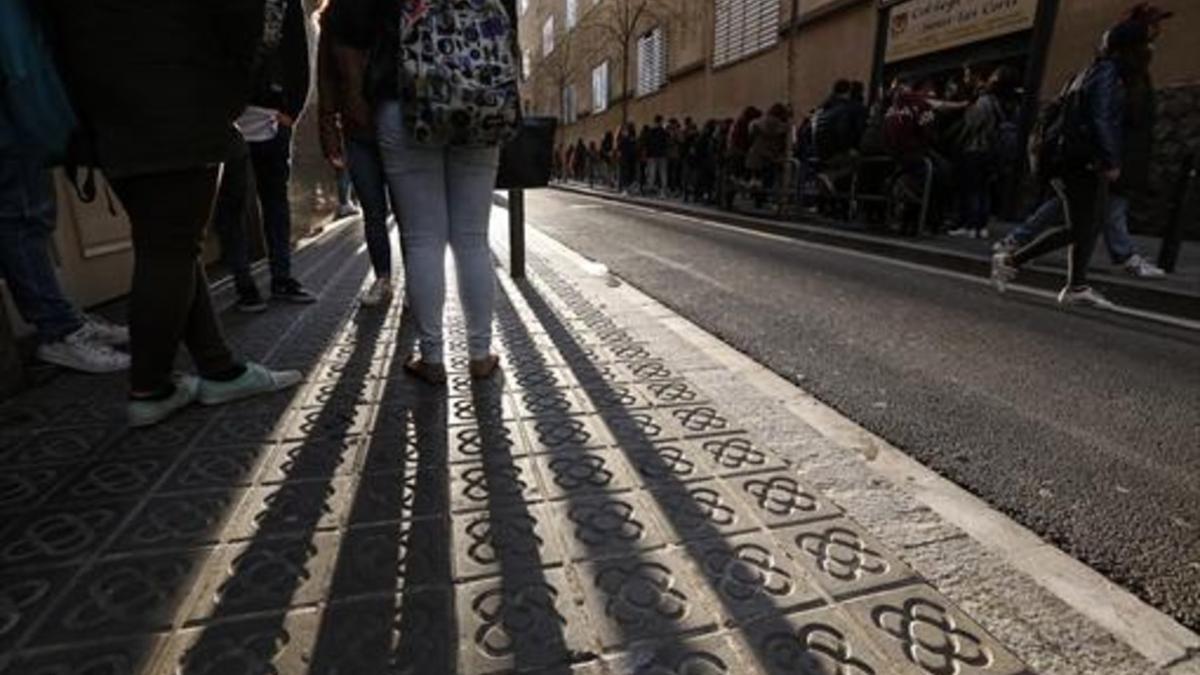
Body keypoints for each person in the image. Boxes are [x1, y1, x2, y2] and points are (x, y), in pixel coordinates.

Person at [44, 0, 303, 426]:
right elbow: (244, 20)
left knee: (170, 240)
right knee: (169, 248)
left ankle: (219, 367)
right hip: (181, 99)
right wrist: (234, 92)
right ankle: (151, 385)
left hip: (107, 109)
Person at [347, 0, 516, 383]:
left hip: (404, 98)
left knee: (423, 239)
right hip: (480, 101)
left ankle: (433, 358)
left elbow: (348, 31)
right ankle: (479, 354)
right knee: (472, 239)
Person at [0, 2, 129, 374]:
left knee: (32, 218)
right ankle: (59, 331)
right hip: (13, 120)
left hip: (17, 115)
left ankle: (62, 319)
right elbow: (20, 61)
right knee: (24, 218)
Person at [992, 15, 1152, 307]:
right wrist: (1111, 159)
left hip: (1077, 160)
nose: (1150, 50)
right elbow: (1100, 118)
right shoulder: (1106, 73)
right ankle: (1013, 259)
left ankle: (1076, 285)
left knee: (1086, 225)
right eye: (1146, 43)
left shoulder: (1100, 71)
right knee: (1082, 227)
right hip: (1080, 162)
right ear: (1130, 48)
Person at [212, 0, 316, 312]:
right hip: (230, 113)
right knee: (235, 202)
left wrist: (290, 111)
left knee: (270, 200)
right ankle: (247, 285)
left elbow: (298, 55)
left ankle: (278, 279)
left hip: (269, 112)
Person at [316, 0, 399, 307]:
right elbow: (325, 78)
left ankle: (417, 283)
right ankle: (383, 279)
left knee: (407, 212)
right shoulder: (334, 18)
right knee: (373, 212)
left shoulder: (395, 9)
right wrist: (328, 132)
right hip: (357, 128)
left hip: (397, 125)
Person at [948, 66, 1020, 239]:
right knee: (984, 190)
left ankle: (970, 226)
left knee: (972, 188)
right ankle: (982, 226)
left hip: (976, 148)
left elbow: (972, 124)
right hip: (993, 152)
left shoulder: (985, 101)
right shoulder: (1009, 105)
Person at [746, 104, 791, 207]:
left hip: (756, 153)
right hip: (770, 155)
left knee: (757, 178)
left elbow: (751, 135)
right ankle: (763, 199)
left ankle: (757, 199)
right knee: (768, 180)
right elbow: (785, 137)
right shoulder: (780, 125)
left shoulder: (758, 122)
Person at [644, 116, 669, 196]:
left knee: (652, 173)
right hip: (662, 154)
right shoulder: (664, 132)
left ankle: (650, 189)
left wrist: (647, 154)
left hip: (652, 155)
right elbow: (666, 142)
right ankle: (663, 190)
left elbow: (647, 143)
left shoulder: (651, 132)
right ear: (661, 121)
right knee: (663, 173)